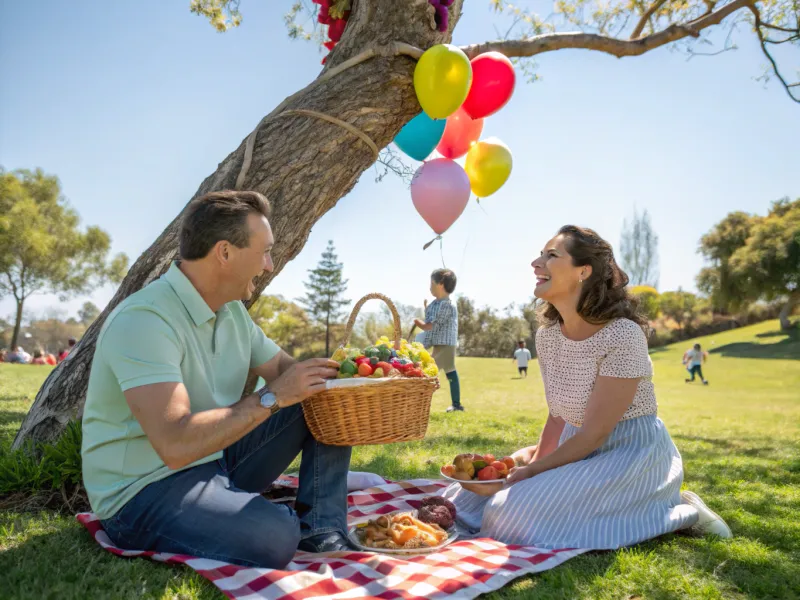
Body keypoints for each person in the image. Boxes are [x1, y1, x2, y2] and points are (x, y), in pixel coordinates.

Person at [81, 190, 353, 570]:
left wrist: (357, 378)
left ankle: (320, 527)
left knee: (321, 394)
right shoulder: (145, 319)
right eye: (264, 252)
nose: (269, 265)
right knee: (275, 538)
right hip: (142, 491)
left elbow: (292, 375)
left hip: (214, 459)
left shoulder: (232, 313)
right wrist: (272, 397)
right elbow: (174, 444)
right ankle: (276, 520)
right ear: (224, 253)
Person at [442, 225, 731, 549]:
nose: (536, 263)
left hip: (629, 453)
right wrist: (526, 463)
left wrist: (534, 471)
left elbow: (594, 434)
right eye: (540, 255)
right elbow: (558, 416)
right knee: (461, 502)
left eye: (551, 255)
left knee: (507, 513)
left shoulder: (623, 335)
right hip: (575, 446)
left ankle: (674, 507)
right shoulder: (548, 335)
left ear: (584, 271)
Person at [414, 269, 462, 412]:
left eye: (432, 283)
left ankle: (418, 403)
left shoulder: (448, 305)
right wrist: (426, 308)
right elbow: (431, 317)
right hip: (438, 343)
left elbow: (435, 324)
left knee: (427, 372)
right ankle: (456, 404)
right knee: (450, 372)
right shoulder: (436, 303)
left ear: (441, 285)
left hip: (446, 344)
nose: (430, 287)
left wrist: (421, 325)